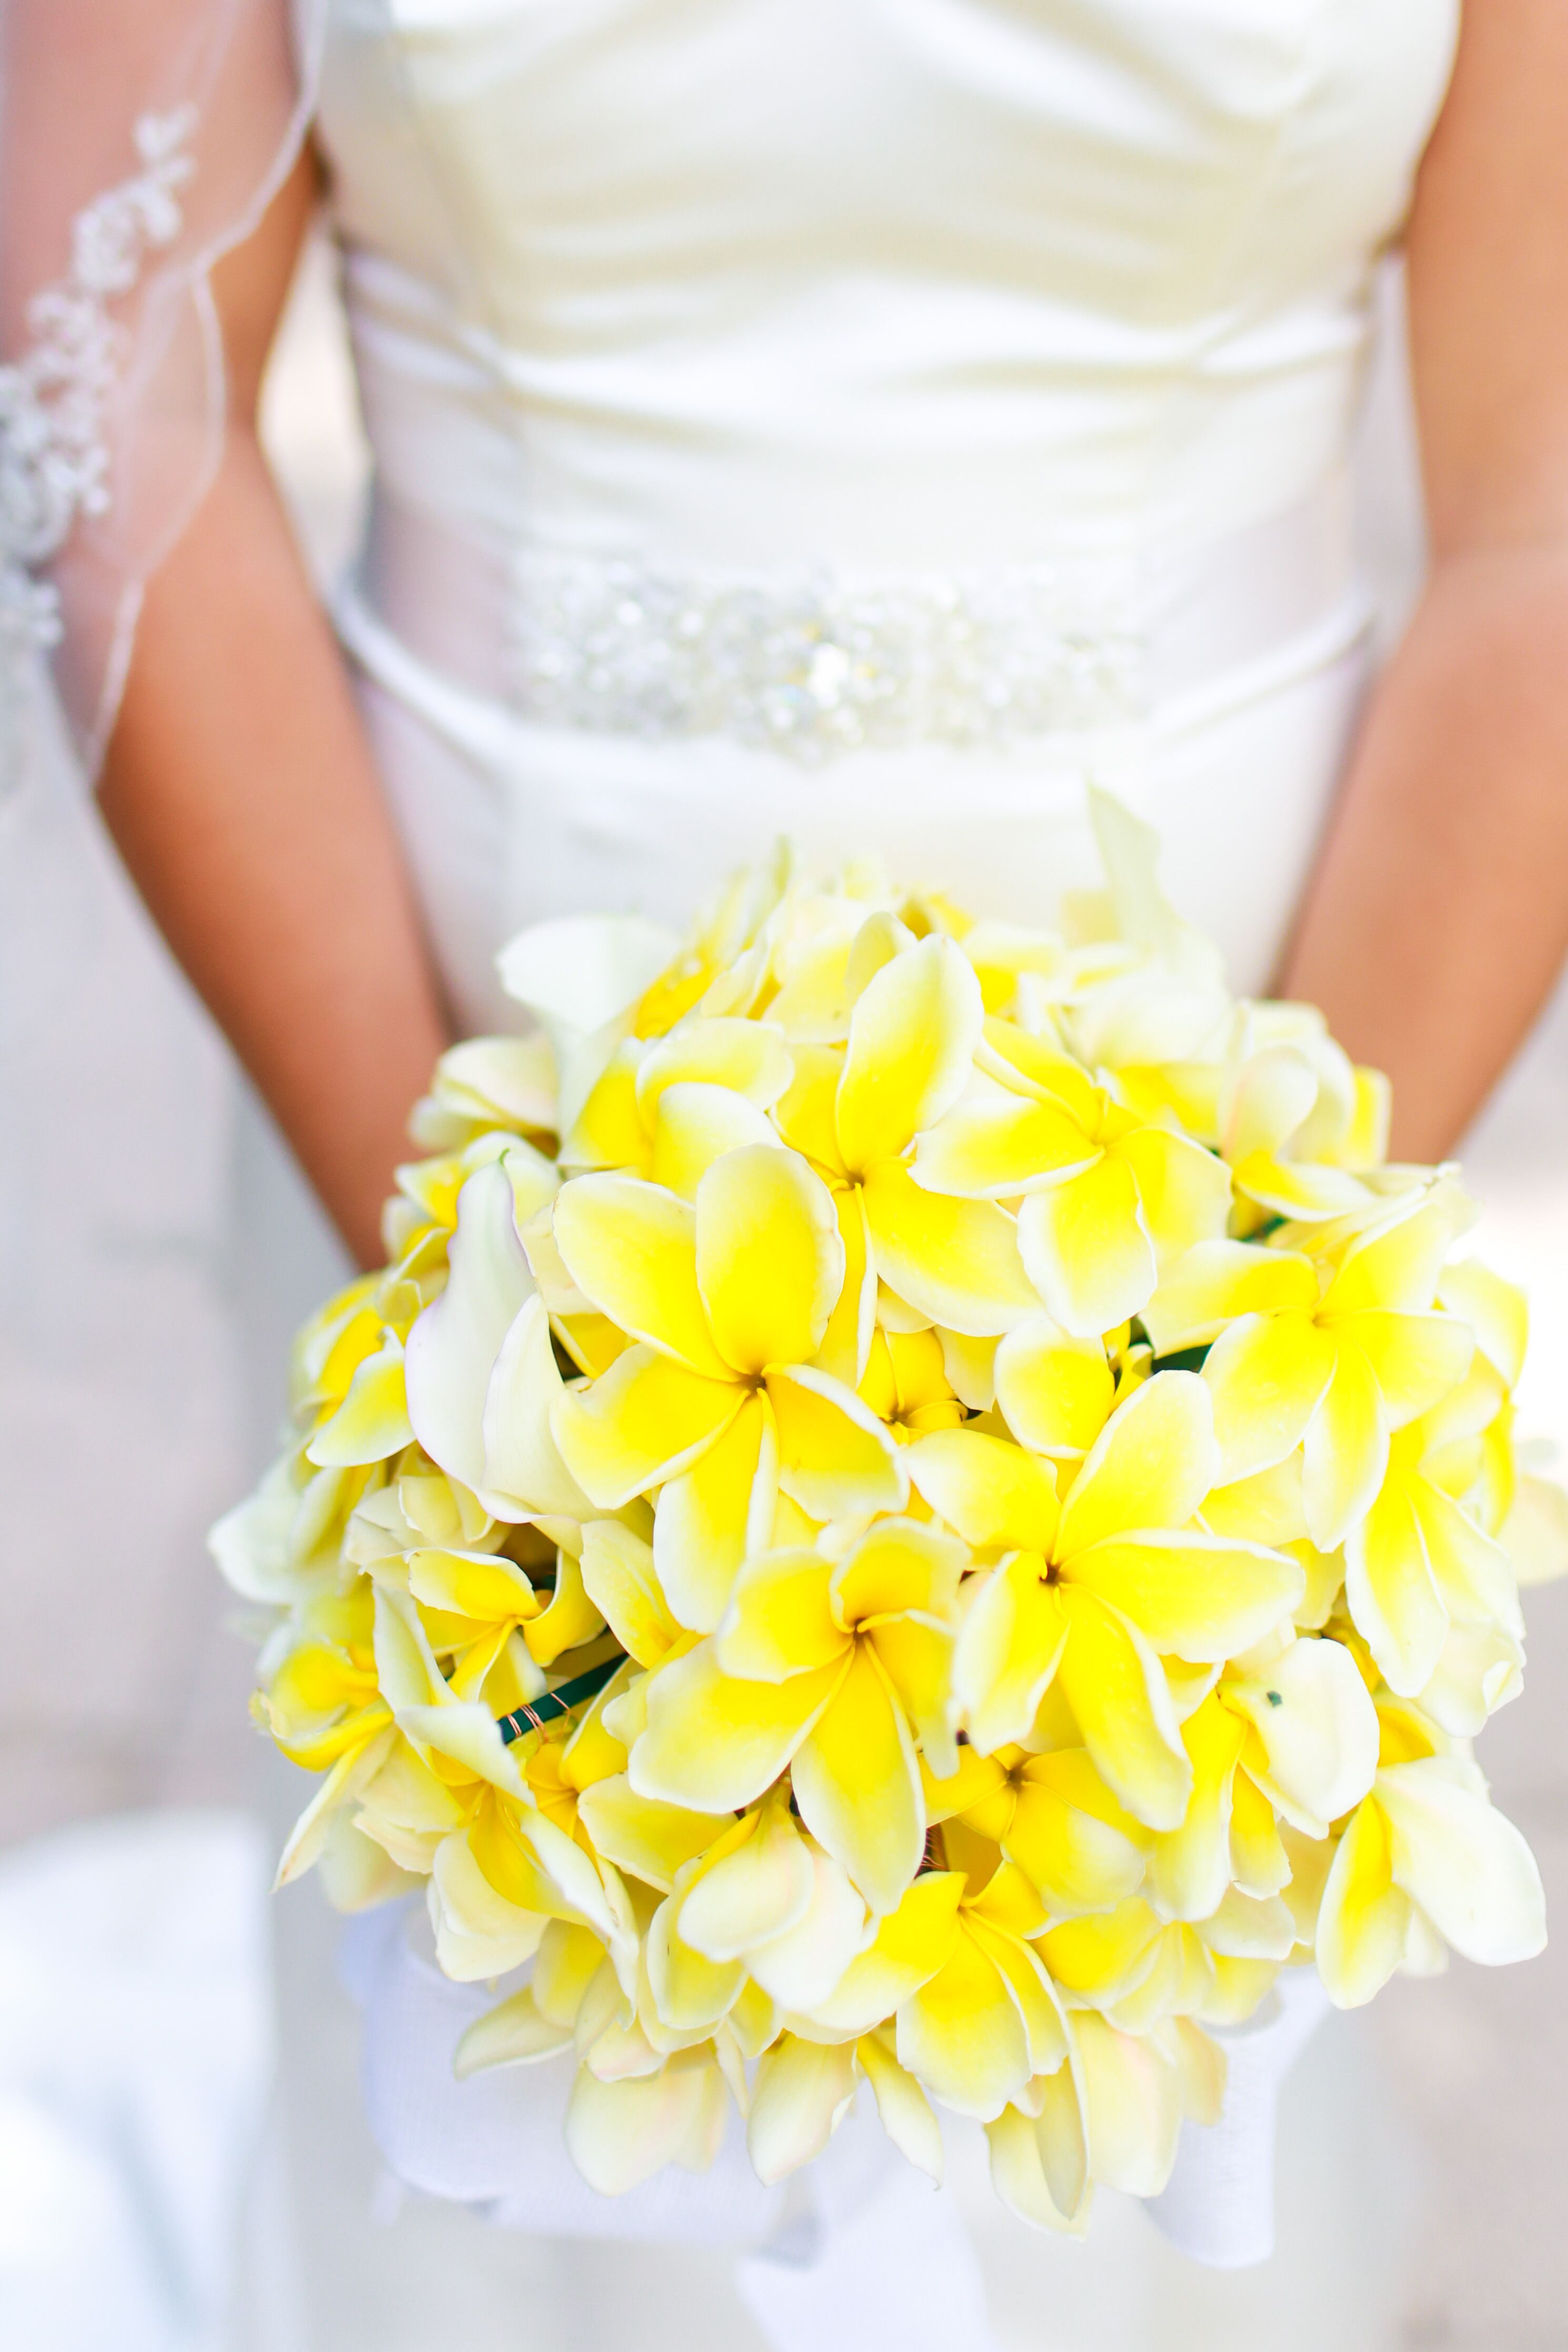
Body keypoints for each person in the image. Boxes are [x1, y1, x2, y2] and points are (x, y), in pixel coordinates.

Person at [4, 2, 1568, 2347]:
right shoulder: (455, 1226)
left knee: (1133, 2111)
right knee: (509, 2071)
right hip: (434, 1073)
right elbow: (104, 384)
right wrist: (482, 1331)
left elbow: (1544, 515)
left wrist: (1252, 1357)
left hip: (1261, 1064)